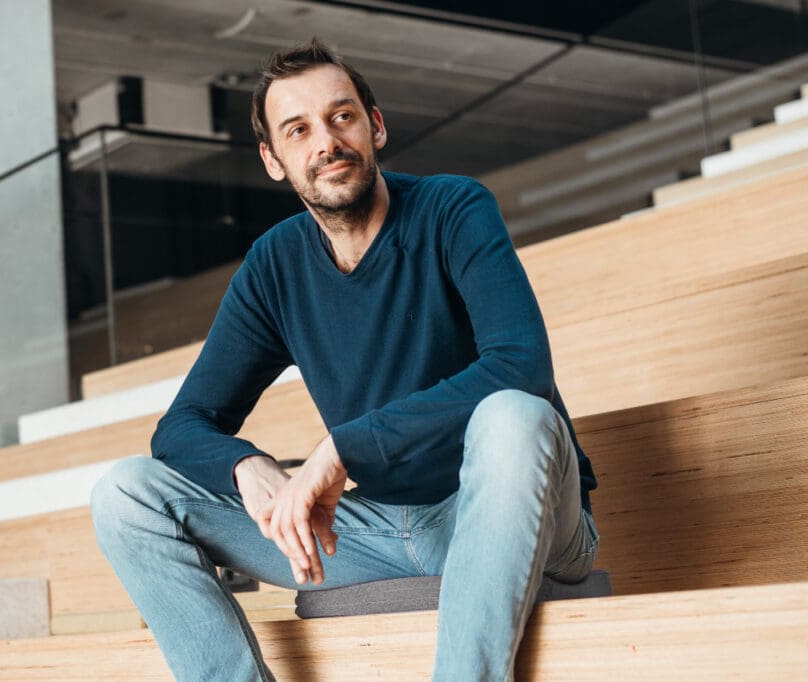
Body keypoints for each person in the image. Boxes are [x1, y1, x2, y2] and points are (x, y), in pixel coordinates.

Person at [90, 38, 598, 682]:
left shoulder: (453, 208)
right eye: (298, 130)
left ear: (375, 125)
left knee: (513, 416)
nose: (325, 142)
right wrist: (249, 466)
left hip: (502, 511)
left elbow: (521, 366)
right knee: (126, 493)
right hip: (374, 535)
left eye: (341, 116)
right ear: (274, 161)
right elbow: (182, 425)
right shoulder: (274, 265)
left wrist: (341, 452)